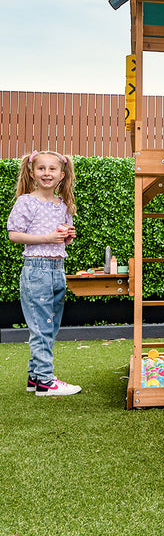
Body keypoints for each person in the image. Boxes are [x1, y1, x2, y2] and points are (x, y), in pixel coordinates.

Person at [7, 150, 81, 396]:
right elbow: (14, 234)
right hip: (36, 270)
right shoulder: (26, 202)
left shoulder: (63, 205)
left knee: (49, 326)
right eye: (41, 168)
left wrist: (67, 238)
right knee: (41, 326)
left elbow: (63, 242)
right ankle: (46, 383)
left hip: (57, 269)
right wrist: (48, 238)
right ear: (32, 172)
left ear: (62, 175)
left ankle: (35, 377)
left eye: (52, 169)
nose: (46, 173)